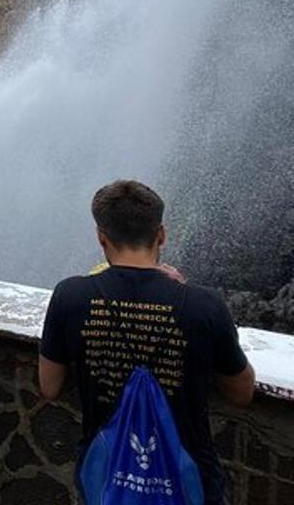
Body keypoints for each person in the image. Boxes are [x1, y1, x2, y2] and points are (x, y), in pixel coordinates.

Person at [39, 180, 255, 504]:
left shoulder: (71, 296)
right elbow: (241, 392)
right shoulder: (203, 305)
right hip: (188, 477)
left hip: (105, 474)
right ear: (162, 235)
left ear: (101, 237)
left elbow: (50, 386)